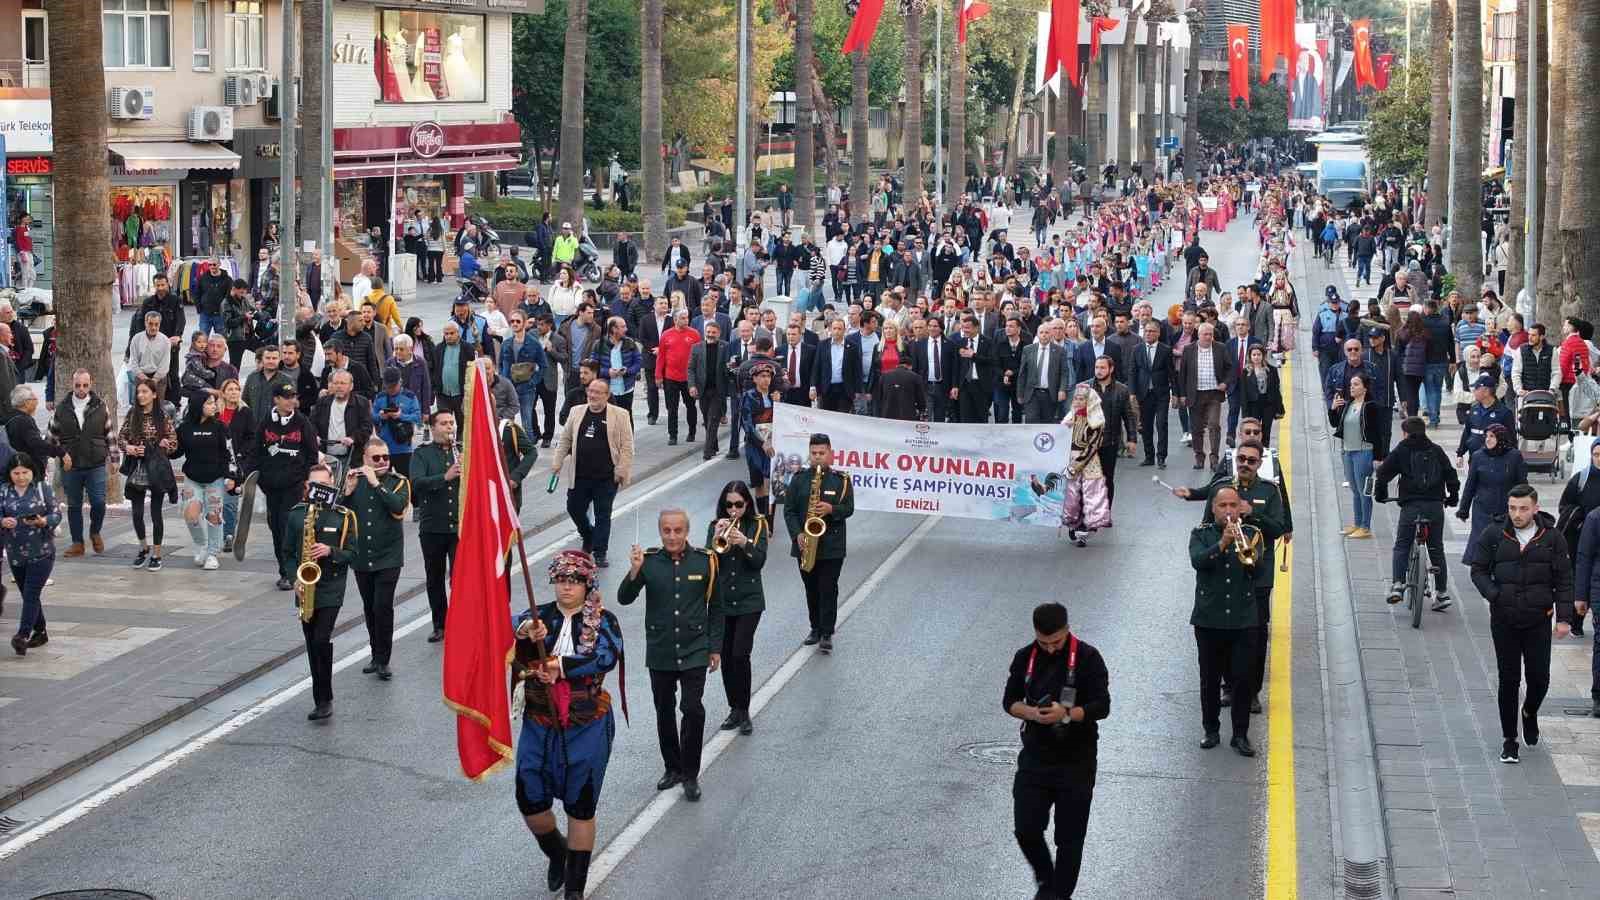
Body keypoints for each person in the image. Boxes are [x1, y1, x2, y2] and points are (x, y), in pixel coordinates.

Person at [512, 550, 624, 900]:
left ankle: (574, 889)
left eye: (574, 581)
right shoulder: (537, 617)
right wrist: (525, 635)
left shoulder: (603, 620)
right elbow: (506, 637)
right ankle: (557, 852)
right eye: (561, 580)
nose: (566, 587)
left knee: (580, 804)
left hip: (585, 724)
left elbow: (607, 654)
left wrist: (561, 664)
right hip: (539, 721)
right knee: (529, 797)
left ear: (587, 583)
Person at [1004, 601, 1110, 900]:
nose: (1051, 648)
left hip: (1077, 760)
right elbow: (1009, 701)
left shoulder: (1088, 658)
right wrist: (1033, 714)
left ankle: (1058, 895)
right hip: (1036, 757)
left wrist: (1065, 714)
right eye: (1044, 642)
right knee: (1026, 828)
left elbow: (1102, 706)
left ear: (1067, 630)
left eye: (1057, 642)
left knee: (1069, 838)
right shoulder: (1025, 657)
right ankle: (1047, 880)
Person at [619, 508, 723, 802]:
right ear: (661, 531)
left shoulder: (706, 561)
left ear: (687, 531)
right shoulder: (649, 562)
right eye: (667, 531)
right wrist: (634, 570)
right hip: (662, 651)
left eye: (678, 530)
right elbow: (624, 598)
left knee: (692, 709)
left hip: (694, 650)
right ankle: (672, 767)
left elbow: (717, 608)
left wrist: (714, 647)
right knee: (664, 710)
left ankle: (690, 774)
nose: (672, 536)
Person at [1470, 484, 1575, 764]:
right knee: (1509, 680)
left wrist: (1565, 618)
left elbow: (1564, 579)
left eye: (1523, 508)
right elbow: (1478, 569)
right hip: (1504, 620)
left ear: (1535, 508)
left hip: (1538, 619)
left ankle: (1529, 712)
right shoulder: (1494, 534)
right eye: (1512, 508)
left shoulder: (1552, 539)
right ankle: (1509, 740)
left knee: (1539, 678)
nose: (1517, 514)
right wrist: (1494, 595)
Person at [1189, 485, 1262, 757]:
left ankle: (1240, 735)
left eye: (1233, 505)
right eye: (1223, 506)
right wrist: (1222, 544)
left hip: (1243, 620)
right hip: (1209, 619)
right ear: (1213, 508)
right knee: (1209, 679)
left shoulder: (1252, 534)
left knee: (1242, 681)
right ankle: (1211, 729)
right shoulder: (1201, 535)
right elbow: (1197, 561)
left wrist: (1242, 545)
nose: (1229, 511)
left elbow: (1258, 569)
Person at [283, 464, 357, 722]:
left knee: (320, 640)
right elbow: (288, 554)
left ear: (331, 485)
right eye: (313, 486)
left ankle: (324, 699)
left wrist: (330, 551)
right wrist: (294, 579)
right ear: (307, 487)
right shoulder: (296, 515)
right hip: (305, 587)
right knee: (311, 643)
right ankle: (320, 696)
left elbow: (353, 553)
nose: (317, 491)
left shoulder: (343, 516)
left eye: (322, 486)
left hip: (331, 588)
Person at [1374, 416, 1460, 610]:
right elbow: (1451, 475)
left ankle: (1397, 585)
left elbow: (1383, 474)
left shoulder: (1402, 450)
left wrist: (1381, 494)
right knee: (1436, 547)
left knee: (1402, 545)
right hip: (1435, 507)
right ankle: (1442, 593)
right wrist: (1452, 497)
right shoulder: (1436, 450)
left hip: (1411, 507)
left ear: (1405, 433)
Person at [344, 437, 410, 681]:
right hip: (362, 556)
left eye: (386, 457)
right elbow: (340, 516)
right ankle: (375, 654)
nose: (382, 462)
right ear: (365, 460)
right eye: (376, 458)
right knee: (369, 607)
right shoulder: (356, 481)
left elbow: (398, 508)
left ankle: (384, 659)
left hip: (388, 556)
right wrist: (347, 492)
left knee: (383, 607)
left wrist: (376, 484)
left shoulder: (398, 482)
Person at [552, 379, 635, 569]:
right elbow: (565, 439)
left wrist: (621, 470)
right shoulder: (577, 411)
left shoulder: (620, 415)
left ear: (607, 396)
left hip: (606, 477)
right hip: (580, 475)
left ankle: (600, 552)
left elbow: (627, 447)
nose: (593, 395)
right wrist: (557, 462)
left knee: (603, 514)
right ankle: (588, 534)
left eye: (598, 392)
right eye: (591, 391)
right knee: (573, 508)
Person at [783, 433, 854, 652]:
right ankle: (814, 628)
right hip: (805, 545)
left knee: (828, 588)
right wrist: (797, 534)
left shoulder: (841, 481)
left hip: (832, 546)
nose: (817, 457)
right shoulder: (799, 479)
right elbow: (789, 511)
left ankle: (826, 632)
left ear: (830, 453)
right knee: (811, 589)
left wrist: (832, 509)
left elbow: (849, 508)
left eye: (822, 453)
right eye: (814, 453)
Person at [709, 481, 767, 735]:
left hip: (749, 601)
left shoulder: (757, 526)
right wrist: (715, 540)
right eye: (729, 504)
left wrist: (744, 543)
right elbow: (709, 562)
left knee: (740, 654)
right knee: (726, 658)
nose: (733, 510)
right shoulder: (716, 526)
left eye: (738, 505)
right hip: (723, 602)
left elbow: (759, 561)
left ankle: (744, 710)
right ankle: (734, 708)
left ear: (747, 504)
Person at [52, 369, 115, 557]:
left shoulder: (100, 406)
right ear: (72, 385)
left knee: (98, 502)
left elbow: (109, 434)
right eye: (77, 385)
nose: (81, 389)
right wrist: (62, 454)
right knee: (74, 505)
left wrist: (114, 458)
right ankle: (77, 542)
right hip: (71, 465)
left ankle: (95, 531)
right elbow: (51, 438)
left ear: (91, 383)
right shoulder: (62, 408)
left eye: (85, 385)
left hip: (95, 462)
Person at [3, 453, 60, 656]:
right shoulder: (3, 491)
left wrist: (44, 521)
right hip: (15, 553)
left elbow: (56, 513)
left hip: (42, 550)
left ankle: (22, 634)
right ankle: (41, 631)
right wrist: (3, 522)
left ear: (32, 472)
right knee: (28, 595)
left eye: (25, 472)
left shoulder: (41, 489)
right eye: (16, 473)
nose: (20, 477)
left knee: (30, 593)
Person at [412, 410, 461, 643]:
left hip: (459, 527)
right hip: (433, 527)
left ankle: (461, 621)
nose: (449, 427)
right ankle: (440, 623)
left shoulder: (461, 450)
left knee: (460, 577)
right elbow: (417, 483)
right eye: (444, 424)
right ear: (433, 428)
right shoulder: (422, 454)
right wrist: (445, 476)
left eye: (451, 423)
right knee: (434, 577)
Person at [119, 380, 178, 572]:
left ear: (154, 394)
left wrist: (165, 445)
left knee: (156, 513)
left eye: (145, 392)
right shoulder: (132, 414)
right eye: (138, 392)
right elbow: (121, 438)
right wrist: (129, 448)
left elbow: (174, 442)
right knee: (136, 514)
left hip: (157, 468)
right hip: (137, 467)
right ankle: (143, 547)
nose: (141, 395)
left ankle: (157, 553)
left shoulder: (162, 415)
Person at [174, 394, 235, 570]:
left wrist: (232, 477)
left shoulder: (220, 427)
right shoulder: (185, 428)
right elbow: (177, 452)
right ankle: (202, 545)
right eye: (209, 403)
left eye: (214, 403)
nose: (213, 406)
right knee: (191, 514)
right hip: (192, 478)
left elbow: (229, 453)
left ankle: (212, 553)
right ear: (198, 405)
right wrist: (168, 447)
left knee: (213, 515)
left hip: (215, 479)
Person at [1458, 424, 1528, 566]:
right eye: (1487, 436)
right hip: (1482, 509)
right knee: (1482, 540)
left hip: (1505, 508)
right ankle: (1481, 569)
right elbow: (1470, 485)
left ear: (1501, 438)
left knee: (1503, 542)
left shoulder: (1514, 456)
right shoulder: (1478, 456)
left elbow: (1522, 484)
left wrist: (1526, 507)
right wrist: (1463, 509)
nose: (1488, 440)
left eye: (1492, 436)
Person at [1178, 323, 1235, 471]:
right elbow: (1182, 373)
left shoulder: (1220, 348)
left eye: (1211, 334)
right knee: (1196, 428)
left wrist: (1225, 383)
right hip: (1195, 394)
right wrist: (1182, 394)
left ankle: (1214, 458)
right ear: (1199, 335)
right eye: (1206, 334)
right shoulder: (1189, 350)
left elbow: (1230, 369)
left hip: (1214, 394)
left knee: (1214, 425)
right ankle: (1199, 457)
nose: (1209, 337)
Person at [1059, 384, 1110, 547]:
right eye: (1076, 398)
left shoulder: (1097, 421)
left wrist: (1077, 464)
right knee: (1071, 497)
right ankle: (1073, 524)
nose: (1078, 401)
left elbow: (1093, 446)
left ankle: (1083, 531)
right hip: (1070, 460)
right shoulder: (1069, 417)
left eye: (1082, 399)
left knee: (1088, 497)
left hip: (1088, 462)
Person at [1331, 374, 1381, 539]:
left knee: (1363, 491)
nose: (1352, 387)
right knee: (1354, 490)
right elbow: (1335, 424)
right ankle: (1357, 523)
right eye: (1351, 384)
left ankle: (1365, 527)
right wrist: (1333, 409)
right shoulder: (1349, 404)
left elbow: (1378, 433)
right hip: (1347, 451)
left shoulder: (1370, 406)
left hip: (1363, 451)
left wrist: (1378, 456)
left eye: (1356, 384)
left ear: (1365, 388)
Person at [740, 364, 779, 515]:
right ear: (755, 379)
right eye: (762, 376)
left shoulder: (775, 396)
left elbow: (786, 418)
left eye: (768, 376)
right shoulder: (748, 396)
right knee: (759, 484)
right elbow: (747, 424)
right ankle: (762, 517)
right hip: (755, 445)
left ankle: (769, 522)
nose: (766, 380)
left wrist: (779, 403)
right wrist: (762, 443)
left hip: (773, 444)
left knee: (771, 483)